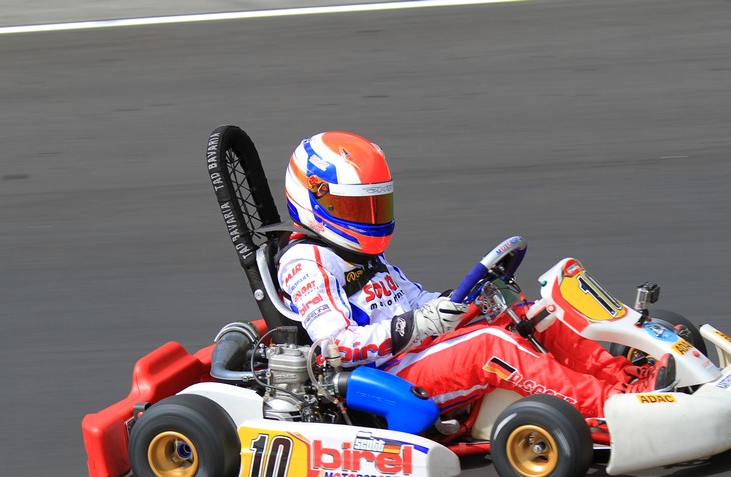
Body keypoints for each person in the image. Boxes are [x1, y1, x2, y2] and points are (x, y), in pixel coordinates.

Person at [276, 131, 674, 427]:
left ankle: (627, 378)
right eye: (355, 206)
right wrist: (420, 324)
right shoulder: (305, 262)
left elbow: (410, 300)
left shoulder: (362, 252)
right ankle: (611, 407)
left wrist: (460, 303)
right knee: (491, 345)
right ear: (314, 199)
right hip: (381, 380)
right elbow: (333, 347)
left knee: (526, 314)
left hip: (413, 353)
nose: (369, 216)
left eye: (375, 204)